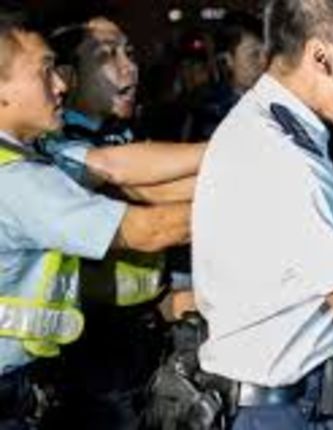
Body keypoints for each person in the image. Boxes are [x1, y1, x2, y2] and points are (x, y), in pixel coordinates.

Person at [192, 0, 333, 428]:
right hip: (280, 411)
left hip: (295, 404)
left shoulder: (284, 130)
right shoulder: (278, 152)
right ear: (321, 56)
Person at [0, 11, 190, 429]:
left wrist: (236, 155)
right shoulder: (15, 178)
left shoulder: (31, 153)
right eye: (46, 71)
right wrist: (254, 201)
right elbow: (147, 228)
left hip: (31, 380)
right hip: (63, 368)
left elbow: (111, 165)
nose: (60, 84)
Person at [183, 11, 266, 141]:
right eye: (254, 55)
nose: (263, 63)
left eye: (267, 54)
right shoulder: (210, 113)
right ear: (228, 60)